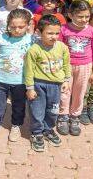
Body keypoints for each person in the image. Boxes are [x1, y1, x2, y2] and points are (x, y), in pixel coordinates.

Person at [0, 9, 33, 147]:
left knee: (19, 106)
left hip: (20, 81)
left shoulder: (31, 40)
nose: (17, 30)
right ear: (7, 24)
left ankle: (16, 125)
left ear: (28, 25)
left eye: (21, 27)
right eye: (13, 26)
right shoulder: (1, 38)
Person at [25, 14, 71, 152]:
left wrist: (66, 80)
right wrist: (30, 88)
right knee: (37, 110)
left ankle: (48, 129)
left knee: (53, 110)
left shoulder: (62, 47)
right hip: (38, 85)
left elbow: (67, 64)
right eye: (50, 33)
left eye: (57, 33)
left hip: (55, 86)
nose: (54, 36)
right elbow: (28, 70)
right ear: (39, 32)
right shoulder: (34, 49)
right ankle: (37, 132)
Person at [56, 0, 93, 137]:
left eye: (87, 16)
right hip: (66, 66)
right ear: (70, 14)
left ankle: (75, 116)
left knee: (80, 92)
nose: (84, 20)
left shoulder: (92, 31)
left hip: (85, 66)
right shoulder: (63, 29)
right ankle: (63, 115)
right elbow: (59, 49)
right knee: (65, 92)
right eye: (80, 16)